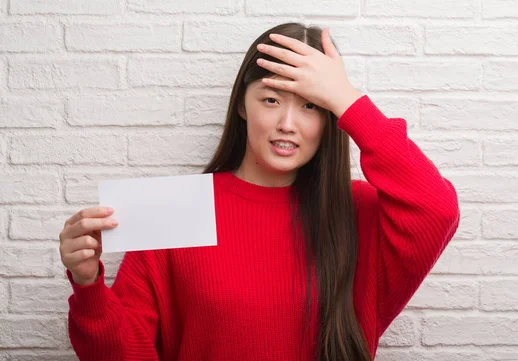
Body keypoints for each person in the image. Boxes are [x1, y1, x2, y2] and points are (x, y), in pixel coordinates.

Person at [59, 22, 460, 361]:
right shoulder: (178, 207)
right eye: (271, 100)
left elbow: (437, 210)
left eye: (310, 106)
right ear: (242, 106)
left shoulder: (355, 213)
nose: (288, 123)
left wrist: (348, 100)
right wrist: (88, 283)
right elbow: (124, 352)